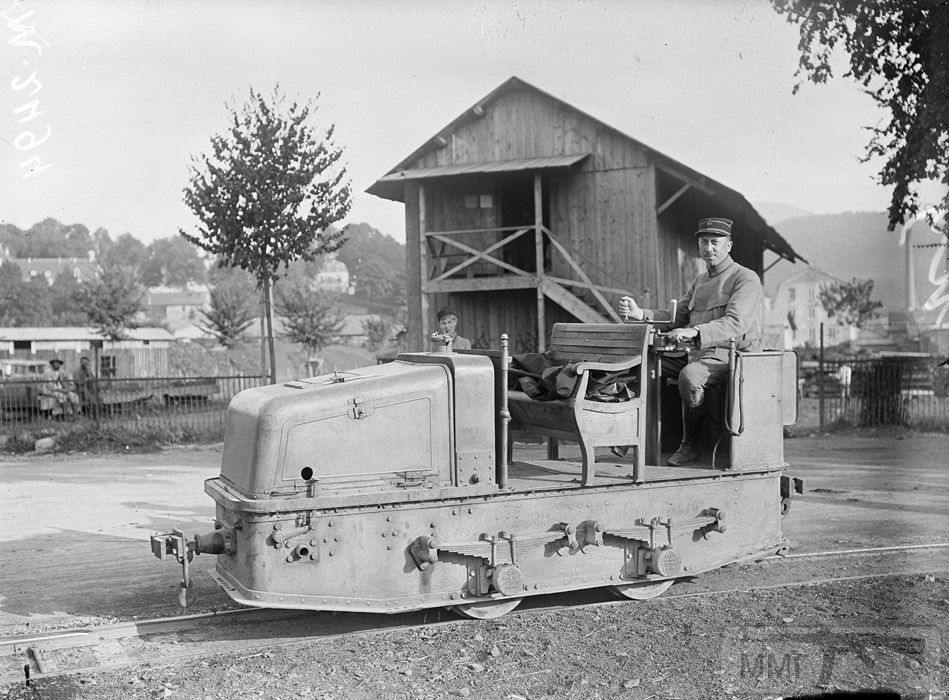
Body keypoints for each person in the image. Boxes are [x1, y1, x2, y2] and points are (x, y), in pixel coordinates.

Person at [618, 217, 763, 466]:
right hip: (698, 352)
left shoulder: (745, 279)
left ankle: (692, 445)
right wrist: (641, 314)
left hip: (732, 356)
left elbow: (735, 323)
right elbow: (676, 317)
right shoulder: (700, 281)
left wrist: (694, 332)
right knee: (644, 366)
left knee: (690, 377)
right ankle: (632, 435)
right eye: (704, 242)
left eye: (715, 242)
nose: (709, 248)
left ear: (729, 245)